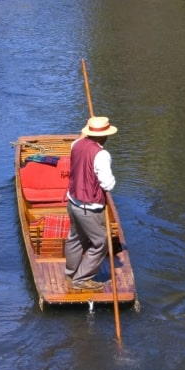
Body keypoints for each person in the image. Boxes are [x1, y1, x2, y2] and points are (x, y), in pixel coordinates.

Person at [64, 115, 118, 291]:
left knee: (75, 238)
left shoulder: (76, 144)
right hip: (88, 207)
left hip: (72, 202)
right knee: (100, 242)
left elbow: (81, 137)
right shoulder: (101, 154)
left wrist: (86, 126)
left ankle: (70, 274)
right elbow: (107, 184)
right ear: (105, 136)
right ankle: (81, 280)